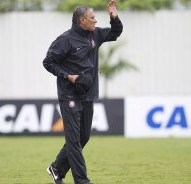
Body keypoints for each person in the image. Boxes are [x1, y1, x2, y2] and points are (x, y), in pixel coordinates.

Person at [43, 0, 123, 183]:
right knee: (73, 141)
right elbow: (48, 62)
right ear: (82, 20)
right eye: (92, 17)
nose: (96, 20)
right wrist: (67, 76)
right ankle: (82, 181)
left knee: (83, 137)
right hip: (69, 95)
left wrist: (113, 15)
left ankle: (56, 168)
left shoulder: (95, 34)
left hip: (88, 94)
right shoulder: (65, 39)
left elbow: (115, 32)